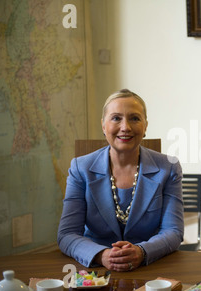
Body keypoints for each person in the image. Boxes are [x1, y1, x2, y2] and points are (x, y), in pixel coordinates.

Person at [58, 89, 184, 271]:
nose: (125, 127)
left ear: (145, 126)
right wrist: (102, 255)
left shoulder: (169, 167)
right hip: (95, 270)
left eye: (134, 118)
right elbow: (67, 234)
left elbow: (173, 231)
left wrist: (142, 251)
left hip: (150, 268)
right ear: (103, 125)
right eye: (116, 118)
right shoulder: (81, 168)